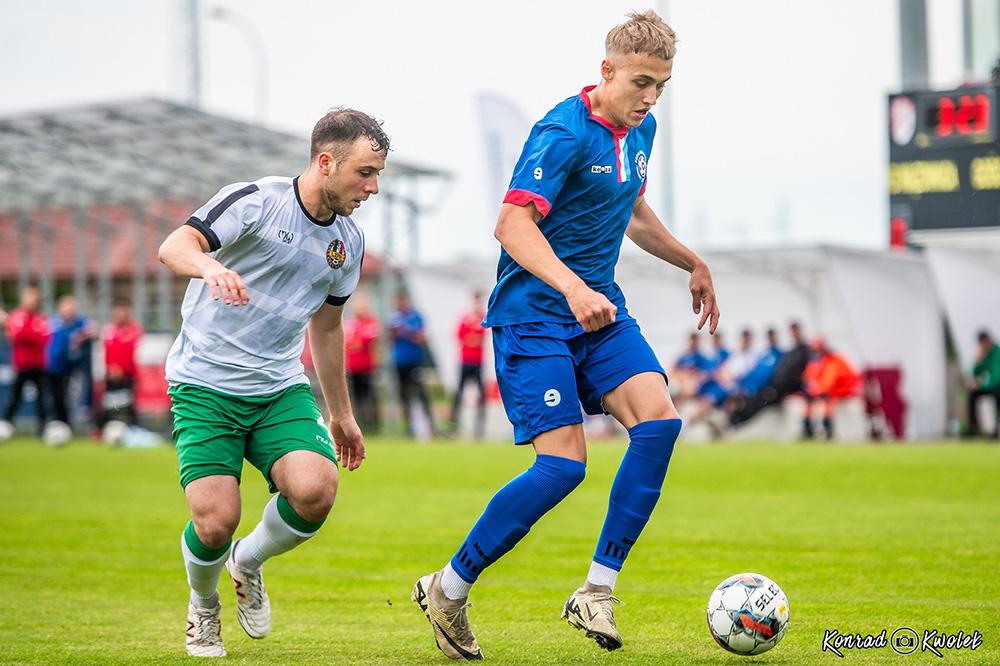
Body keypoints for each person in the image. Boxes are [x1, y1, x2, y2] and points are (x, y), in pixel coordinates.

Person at [412, 11, 720, 659]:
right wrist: (573, 287)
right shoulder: (561, 131)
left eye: (661, 86)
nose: (650, 97)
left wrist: (692, 259)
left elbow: (632, 210)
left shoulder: (644, 128)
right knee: (562, 468)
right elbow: (512, 225)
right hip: (533, 318)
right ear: (606, 71)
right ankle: (449, 587)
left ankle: (597, 590)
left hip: (599, 315)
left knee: (660, 424)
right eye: (641, 82)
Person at [157, 108, 384, 657]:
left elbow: (327, 326)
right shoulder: (256, 201)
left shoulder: (348, 243)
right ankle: (204, 606)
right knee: (215, 522)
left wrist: (342, 414)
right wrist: (210, 268)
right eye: (364, 173)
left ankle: (248, 561)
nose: (373, 187)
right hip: (204, 384)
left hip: (277, 387)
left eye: (378, 175)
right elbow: (175, 247)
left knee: (316, 490)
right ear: (325, 163)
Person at [2, 286, 50, 434]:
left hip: (39, 364)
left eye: (34, 298)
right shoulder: (17, 316)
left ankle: (42, 427)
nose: (31, 301)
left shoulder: (41, 318)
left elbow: (42, 338)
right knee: (15, 397)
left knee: (42, 399)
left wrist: (22, 332)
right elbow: (15, 336)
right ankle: (6, 424)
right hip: (22, 364)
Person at [390, 291, 436, 437]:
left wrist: (404, 331)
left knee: (421, 395)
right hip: (399, 363)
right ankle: (409, 428)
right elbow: (390, 338)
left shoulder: (415, 316)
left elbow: (421, 337)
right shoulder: (394, 318)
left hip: (415, 362)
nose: (398, 304)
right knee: (404, 396)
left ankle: (431, 426)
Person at [46, 294, 96, 427]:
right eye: (65, 307)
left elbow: (94, 330)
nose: (68, 311)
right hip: (56, 367)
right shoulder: (53, 322)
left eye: (71, 307)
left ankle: (83, 412)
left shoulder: (80, 322)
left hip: (74, 365)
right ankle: (58, 421)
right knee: (57, 396)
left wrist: (82, 336)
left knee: (75, 392)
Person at [801, 337, 860, 440]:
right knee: (809, 399)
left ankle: (828, 430)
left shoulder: (834, 360)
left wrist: (817, 390)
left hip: (841, 390)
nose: (816, 352)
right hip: (828, 390)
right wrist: (812, 388)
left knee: (828, 398)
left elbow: (831, 381)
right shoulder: (818, 361)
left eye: (817, 349)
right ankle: (807, 429)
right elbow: (809, 377)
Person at [448, 290, 487, 438]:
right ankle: (453, 426)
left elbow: (480, 337)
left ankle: (479, 429)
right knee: (458, 394)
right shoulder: (465, 318)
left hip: (478, 362)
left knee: (481, 396)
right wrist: (472, 337)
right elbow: (461, 337)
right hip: (465, 361)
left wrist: (472, 337)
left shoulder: (483, 318)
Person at [101, 299, 143, 426]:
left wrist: (121, 369)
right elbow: (107, 351)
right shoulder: (108, 330)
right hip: (111, 374)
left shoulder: (134, 329)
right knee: (110, 403)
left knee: (129, 402)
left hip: (128, 374)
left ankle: (133, 427)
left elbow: (129, 350)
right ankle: (107, 427)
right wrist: (112, 368)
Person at [344, 294, 380, 433]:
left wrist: (356, 343)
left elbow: (365, 341)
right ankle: (361, 424)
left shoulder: (371, 321)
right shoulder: (351, 322)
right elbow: (347, 343)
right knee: (356, 398)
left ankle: (374, 424)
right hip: (353, 367)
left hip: (367, 367)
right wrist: (356, 343)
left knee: (370, 396)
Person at [965, 329, 1000, 439]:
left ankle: (995, 429)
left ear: (988, 341)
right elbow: (975, 373)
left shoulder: (997, 353)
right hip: (989, 386)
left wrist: (981, 384)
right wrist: (977, 362)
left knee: (996, 394)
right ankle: (972, 428)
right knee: (972, 394)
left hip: (997, 386)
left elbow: (996, 376)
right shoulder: (984, 354)